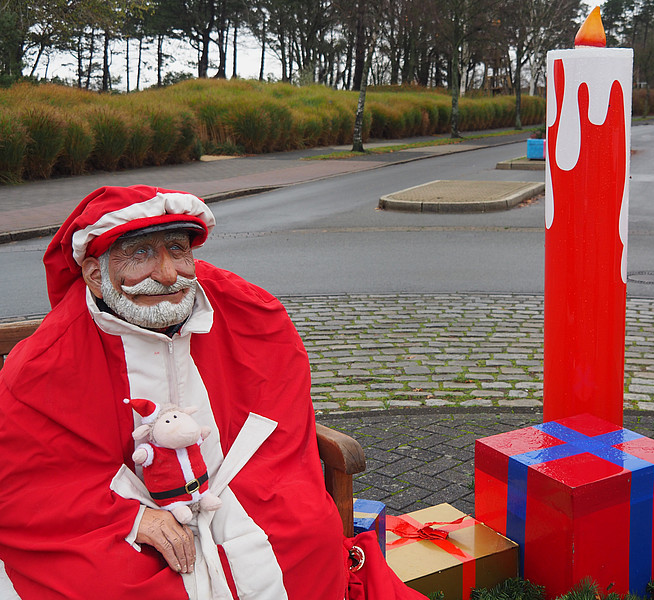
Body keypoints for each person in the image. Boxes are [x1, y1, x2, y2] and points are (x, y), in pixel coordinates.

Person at [0, 185, 425, 600]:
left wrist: (230, 511)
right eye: (142, 253)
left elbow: (279, 431)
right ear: (95, 275)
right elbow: (35, 483)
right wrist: (134, 519)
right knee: (109, 581)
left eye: (178, 250)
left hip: (242, 486)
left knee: (307, 535)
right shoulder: (44, 363)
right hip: (120, 509)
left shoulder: (251, 315)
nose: (168, 274)